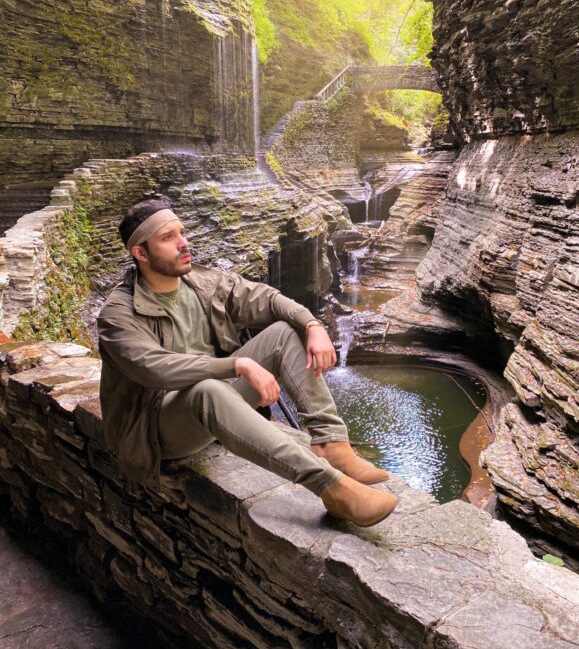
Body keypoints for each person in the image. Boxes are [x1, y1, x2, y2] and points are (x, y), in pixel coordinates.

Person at [97, 198, 397, 527]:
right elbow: (153, 368)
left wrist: (312, 324)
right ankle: (330, 488)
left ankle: (330, 443)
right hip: (157, 425)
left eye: (182, 233)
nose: (184, 243)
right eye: (167, 238)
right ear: (141, 253)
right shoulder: (118, 313)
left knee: (285, 331)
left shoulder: (203, 283)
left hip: (216, 397)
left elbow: (267, 298)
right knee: (208, 389)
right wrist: (237, 366)